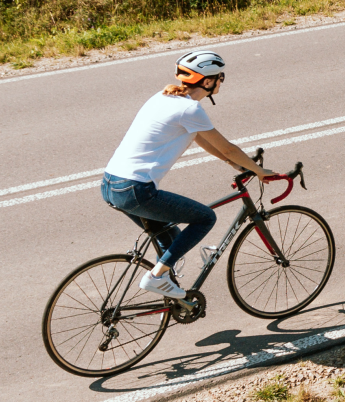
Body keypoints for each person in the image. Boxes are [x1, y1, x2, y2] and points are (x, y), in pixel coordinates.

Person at [100, 50, 265, 301]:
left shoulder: (162, 97)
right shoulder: (189, 110)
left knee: (171, 237)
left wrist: (233, 163)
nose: (222, 81)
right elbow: (227, 146)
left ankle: (172, 298)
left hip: (111, 184)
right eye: (220, 77)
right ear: (208, 81)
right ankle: (157, 278)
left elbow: (203, 139)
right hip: (136, 190)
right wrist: (260, 171)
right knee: (205, 218)